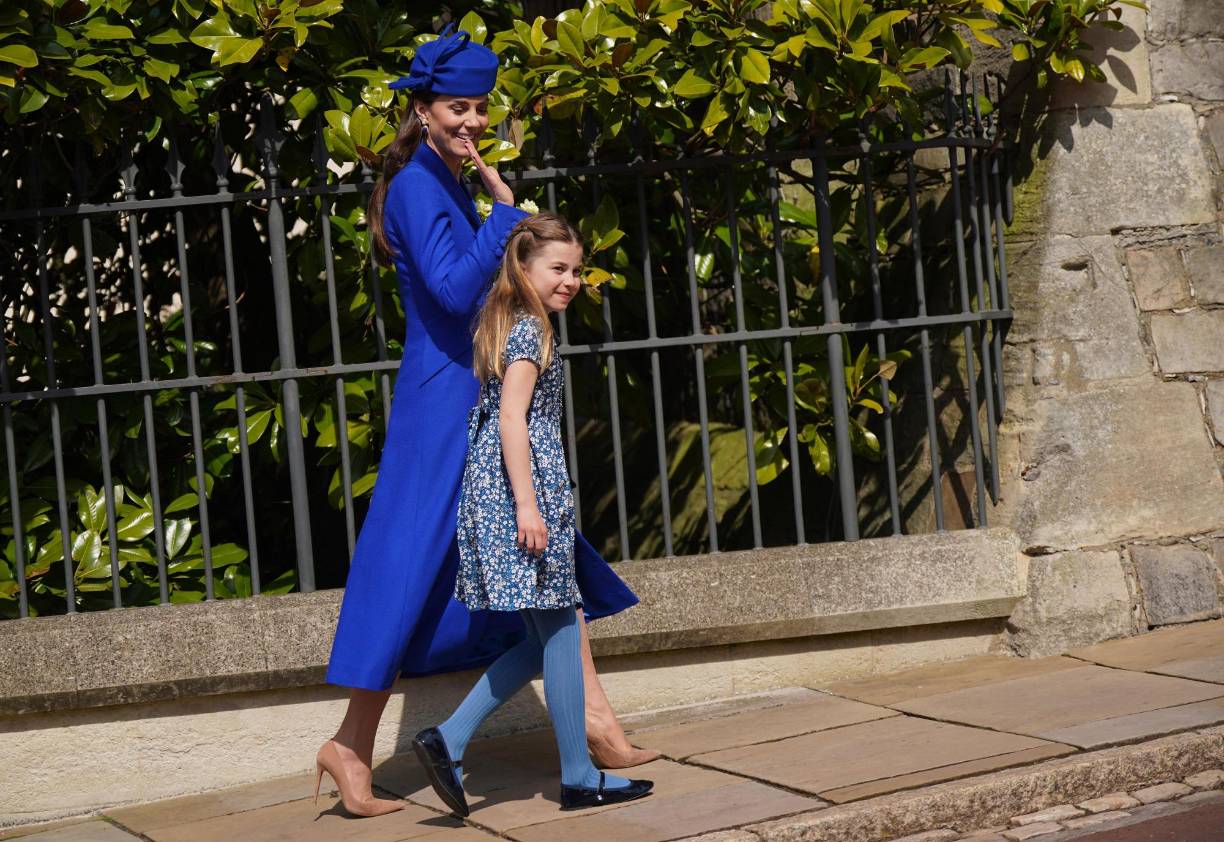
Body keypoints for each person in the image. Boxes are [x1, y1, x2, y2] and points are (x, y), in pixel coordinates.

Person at [315, 29, 656, 818]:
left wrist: (496, 215)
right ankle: (352, 746)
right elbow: (449, 292)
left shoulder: (441, 178)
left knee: (545, 561)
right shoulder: (414, 185)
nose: (470, 122)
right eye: (455, 108)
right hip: (442, 402)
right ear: (423, 111)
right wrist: (507, 215)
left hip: (470, 390)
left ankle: (592, 726)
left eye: (478, 109)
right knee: (407, 577)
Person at [413, 214, 653, 816]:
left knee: (548, 636)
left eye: (576, 270)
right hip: (519, 495)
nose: (570, 280)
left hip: (508, 492)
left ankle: (452, 739)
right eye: (558, 268)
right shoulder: (528, 333)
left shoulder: (513, 322)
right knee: (563, 632)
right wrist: (529, 505)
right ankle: (574, 776)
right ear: (524, 269)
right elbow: (510, 420)